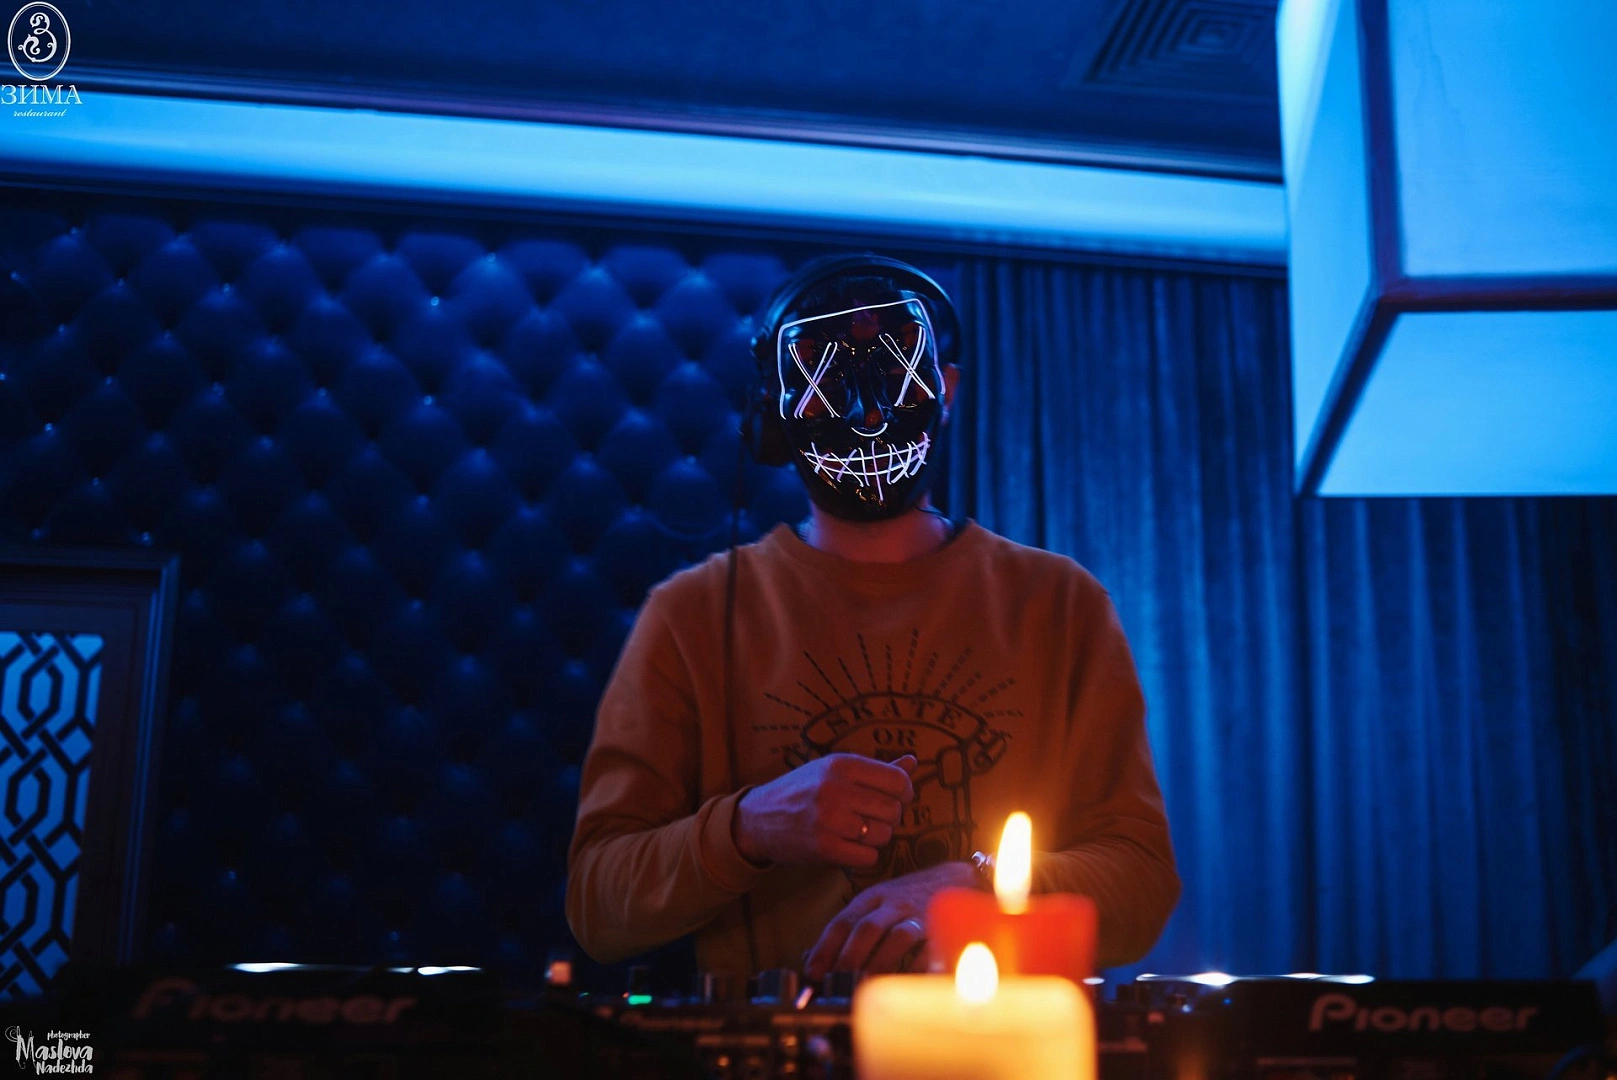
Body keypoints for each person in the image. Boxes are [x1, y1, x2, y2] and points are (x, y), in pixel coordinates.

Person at [565, 252, 1179, 982]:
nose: (868, 417)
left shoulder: (1061, 605)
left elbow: (1141, 883)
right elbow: (598, 905)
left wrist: (980, 886)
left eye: (894, 377)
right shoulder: (690, 617)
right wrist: (749, 826)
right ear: (773, 415)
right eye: (829, 386)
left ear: (946, 390)